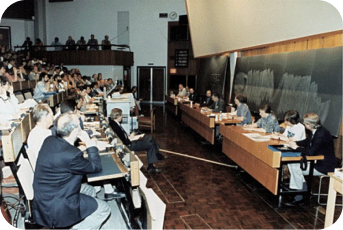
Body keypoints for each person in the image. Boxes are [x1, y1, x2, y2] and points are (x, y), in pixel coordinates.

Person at [33, 113, 113, 229]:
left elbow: (65, 154)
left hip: (45, 197)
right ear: (76, 130)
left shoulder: (49, 140)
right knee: (104, 209)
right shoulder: (72, 155)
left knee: (90, 190)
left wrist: (83, 148)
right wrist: (90, 144)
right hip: (58, 205)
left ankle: (77, 221)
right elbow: (96, 167)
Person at [285, 113, 338, 206]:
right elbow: (307, 142)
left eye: (305, 124)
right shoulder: (316, 131)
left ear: (309, 125)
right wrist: (295, 142)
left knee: (296, 167)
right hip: (317, 162)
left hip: (324, 166)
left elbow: (310, 152)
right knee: (292, 164)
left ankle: (299, 195)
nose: (304, 125)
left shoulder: (321, 134)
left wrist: (295, 148)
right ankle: (300, 190)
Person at [109, 108, 167, 173]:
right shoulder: (116, 126)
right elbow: (125, 141)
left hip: (128, 141)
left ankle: (152, 165)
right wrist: (130, 138)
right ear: (118, 116)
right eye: (121, 115)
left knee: (150, 143)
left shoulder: (113, 123)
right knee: (150, 138)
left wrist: (129, 136)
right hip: (129, 145)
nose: (122, 117)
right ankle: (157, 156)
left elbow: (122, 137)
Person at [26, 104, 53, 168]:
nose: (53, 117)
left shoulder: (37, 132)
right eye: (51, 116)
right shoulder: (41, 136)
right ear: (46, 119)